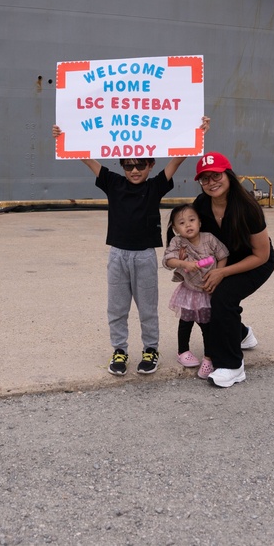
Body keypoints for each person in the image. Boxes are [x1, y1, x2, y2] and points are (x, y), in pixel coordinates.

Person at [51, 117, 210, 376]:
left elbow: (178, 159)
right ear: (122, 164)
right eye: (128, 165)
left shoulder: (155, 186)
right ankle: (120, 350)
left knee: (147, 308)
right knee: (117, 307)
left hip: (145, 256)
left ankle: (151, 349)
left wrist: (197, 131)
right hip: (118, 255)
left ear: (150, 164)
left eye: (140, 165)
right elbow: (87, 158)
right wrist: (64, 136)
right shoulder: (113, 183)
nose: (134, 170)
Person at [191, 152, 274, 388]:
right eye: (205, 179)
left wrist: (222, 273)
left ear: (228, 175)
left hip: (254, 261)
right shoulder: (201, 204)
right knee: (201, 296)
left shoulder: (248, 207)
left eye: (216, 175)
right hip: (222, 262)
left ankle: (232, 366)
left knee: (223, 297)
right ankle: (240, 334)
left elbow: (262, 254)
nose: (211, 183)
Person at [163, 204, 229, 379]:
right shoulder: (178, 242)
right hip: (189, 291)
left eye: (192, 220)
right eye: (182, 223)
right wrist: (183, 263)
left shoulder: (209, 238)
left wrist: (218, 275)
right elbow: (168, 260)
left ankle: (209, 356)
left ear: (199, 222)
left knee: (207, 326)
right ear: (176, 228)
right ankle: (182, 351)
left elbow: (223, 256)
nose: (188, 225)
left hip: (207, 291)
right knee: (186, 322)